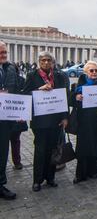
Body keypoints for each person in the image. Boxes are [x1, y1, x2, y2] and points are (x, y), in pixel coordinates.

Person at [23, 52, 68, 192]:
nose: (46, 63)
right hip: (40, 121)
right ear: (39, 62)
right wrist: (39, 90)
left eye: (49, 60)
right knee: (40, 150)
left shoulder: (59, 76)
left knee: (53, 149)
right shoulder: (32, 75)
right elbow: (25, 94)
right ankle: (37, 180)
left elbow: (64, 96)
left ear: (53, 62)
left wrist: (65, 117)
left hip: (55, 119)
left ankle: (50, 177)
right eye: (43, 60)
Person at [0, 42, 19, 200]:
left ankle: (0, 184)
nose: (3, 55)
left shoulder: (11, 69)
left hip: (5, 119)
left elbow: (18, 90)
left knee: (2, 152)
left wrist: (20, 109)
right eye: (0, 52)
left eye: (5, 52)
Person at [9, 63, 27, 170]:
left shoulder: (21, 81)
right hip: (4, 116)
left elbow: (25, 98)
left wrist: (23, 114)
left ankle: (17, 161)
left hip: (17, 114)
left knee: (15, 140)